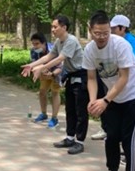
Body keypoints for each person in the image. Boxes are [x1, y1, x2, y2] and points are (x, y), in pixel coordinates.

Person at [84, 11, 135, 171]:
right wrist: (93, 100)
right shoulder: (89, 50)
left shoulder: (120, 45)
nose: (102, 37)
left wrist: (104, 101)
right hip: (113, 98)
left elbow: (124, 77)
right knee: (111, 136)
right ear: (90, 30)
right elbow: (91, 78)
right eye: (97, 33)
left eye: (106, 33)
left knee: (130, 139)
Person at [21, 15, 88, 155]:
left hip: (81, 75)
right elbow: (48, 56)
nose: (52, 29)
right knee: (70, 109)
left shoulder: (71, 40)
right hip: (70, 75)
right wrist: (32, 65)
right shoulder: (58, 41)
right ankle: (70, 138)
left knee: (80, 111)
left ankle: (80, 142)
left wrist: (42, 68)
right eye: (52, 26)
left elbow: (60, 59)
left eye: (55, 27)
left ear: (64, 27)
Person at [28, 33, 61, 128]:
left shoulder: (53, 49)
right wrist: (39, 71)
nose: (35, 46)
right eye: (33, 44)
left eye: (37, 44)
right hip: (44, 73)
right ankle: (43, 114)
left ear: (44, 43)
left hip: (57, 72)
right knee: (42, 92)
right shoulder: (33, 51)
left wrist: (52, 74)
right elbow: (34, 64)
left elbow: (61, 65)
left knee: (55, 92)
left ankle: (54, 118)